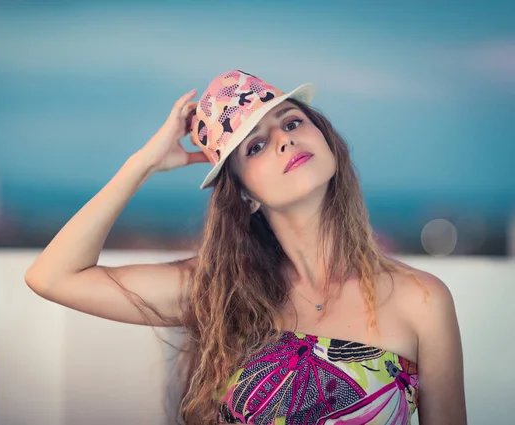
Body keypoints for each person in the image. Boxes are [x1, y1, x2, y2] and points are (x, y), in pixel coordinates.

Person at [25, 69, 467, 424]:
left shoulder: (422, 300)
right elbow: (53, 276)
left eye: (292, 122)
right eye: (256, 146)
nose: (283, 139)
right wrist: (141, 164)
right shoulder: (219, 290)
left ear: (326, 140)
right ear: (244, 194)